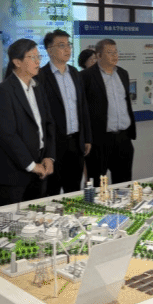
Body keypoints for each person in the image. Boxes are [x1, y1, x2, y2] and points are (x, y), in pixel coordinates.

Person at [0, 39, 56, 206]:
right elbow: (8, 135)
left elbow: (48, 124)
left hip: (40, 170)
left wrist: (49, 156)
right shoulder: (3, 91)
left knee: (36, 218)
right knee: (10, 221)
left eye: (38, 56)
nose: (37, 61)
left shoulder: (38, 88)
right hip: (13, 174)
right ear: (17, 62)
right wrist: (31, 165)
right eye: (32, 57)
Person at [38, 30, 91, 195]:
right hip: (53, 145)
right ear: (49, 50)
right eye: (61, 45)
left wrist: (87, 137)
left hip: (75, 142)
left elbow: (83, 107)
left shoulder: (75, 73)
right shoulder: (41, 77)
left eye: (69, 45)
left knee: (74, 190)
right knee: (52, 191)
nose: (67, 49)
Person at [81, 39, 136, 184]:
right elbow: (82, 110)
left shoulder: (123, 73)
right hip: (99, 140)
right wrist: (86, 138)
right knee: (97, 185)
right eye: (110, 52)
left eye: (116, 52)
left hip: (123, 138)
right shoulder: (86, 76)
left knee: (124, 183)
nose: (114, 55)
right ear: (99, 55)